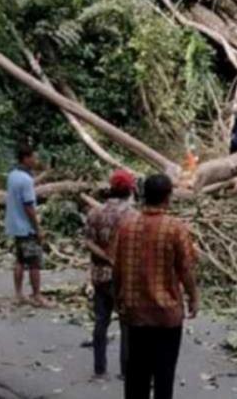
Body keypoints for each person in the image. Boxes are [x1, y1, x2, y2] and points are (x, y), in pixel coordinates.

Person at [113, 174, 199, 399]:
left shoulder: (126, 226)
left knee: (136, 376)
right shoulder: (175, 228)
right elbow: (186, 269)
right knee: (164, 376)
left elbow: (118, 269)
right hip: (166, 315)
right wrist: (193, 297)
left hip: (135, 314)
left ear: (143, 196)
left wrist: (118, 300)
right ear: (168, 198)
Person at [84, 169, 137, 379]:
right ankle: (126, 370)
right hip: (123, 277)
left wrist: (104, 255)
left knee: (101, 321)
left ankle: (99, 367)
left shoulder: (95, 212)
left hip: (99, 275)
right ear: (130, 190)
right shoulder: (132, 216)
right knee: (127, 324)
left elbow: (88, 241)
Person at [4, 144, 51, 307]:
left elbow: (26, 186)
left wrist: (45, 175)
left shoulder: (12, 175)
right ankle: (37, 296)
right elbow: (29, 206)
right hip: (26, 227)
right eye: (34, 157)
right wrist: (37, 228)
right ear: (26, 158)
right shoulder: (25, 180)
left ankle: (18, 294)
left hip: (14, 225)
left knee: (20, 260)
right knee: (34, 262)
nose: (35, 160)